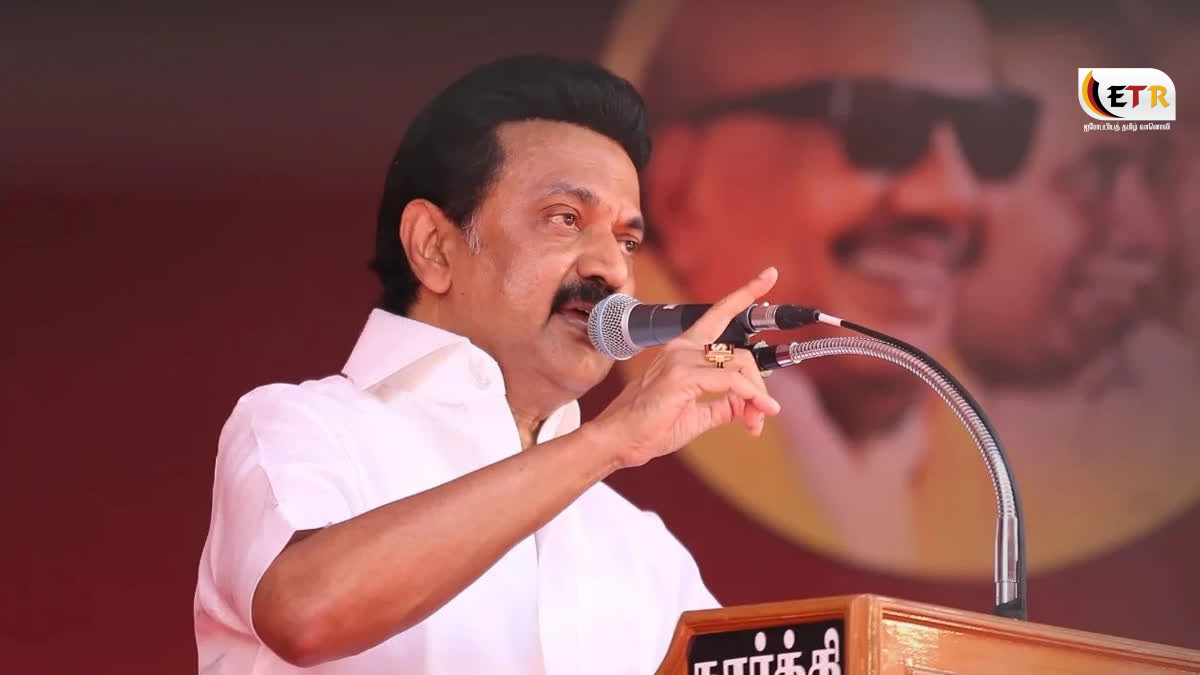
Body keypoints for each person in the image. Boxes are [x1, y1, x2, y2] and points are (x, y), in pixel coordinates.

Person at [192, 54, 786, 673]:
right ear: (433, 247)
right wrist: (608, 441)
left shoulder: (639, 550)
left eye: (628, 241)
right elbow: (304, 612)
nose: (612, 268)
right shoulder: (304, 427)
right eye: (565, 219)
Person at [599, 0, 1035, 577]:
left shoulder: (999, 462)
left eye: (990, 134)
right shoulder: (590, 434)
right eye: (883, 124)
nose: (954, 196)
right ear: (680, 191)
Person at [951, 2, 1200, 567]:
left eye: (1154, 173)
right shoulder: (825, 449)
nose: (1152, 237)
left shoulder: (1163, 405)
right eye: (1095, 175)